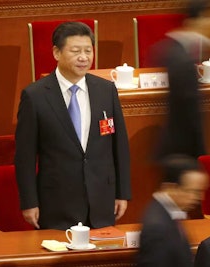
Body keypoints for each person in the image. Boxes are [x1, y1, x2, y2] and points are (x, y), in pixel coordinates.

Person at [15, 21, 131, 230]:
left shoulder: (106, 90)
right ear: (56, 53)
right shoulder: (35, 96)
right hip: (56, 203)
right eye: (76, 51)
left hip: (102, 201)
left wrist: (122, 192)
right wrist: (29, 202)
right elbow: (25, 156)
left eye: (88, 50)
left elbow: (119, 145)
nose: (84, 57)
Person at [148, 0, 210, 160]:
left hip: (178, 151)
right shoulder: (181, 59)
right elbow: (189, 113)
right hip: (181, 153)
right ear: (200, 20)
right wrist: (200, 156)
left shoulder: (177, 49)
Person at [137, 154, 209, 267]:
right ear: (170, 187)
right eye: (194, 191)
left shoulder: (167, 213)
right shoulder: (157, 228)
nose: (200, 197)